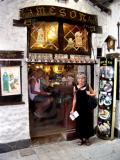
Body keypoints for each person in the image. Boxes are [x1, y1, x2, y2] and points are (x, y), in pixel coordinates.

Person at [71, 72, 96, 146]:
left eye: (82, 78)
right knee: (79, 123)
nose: (81, 80)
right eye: (79, 78)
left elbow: (94, 93)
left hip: (87, 108)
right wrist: (72, 109)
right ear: (77, 79)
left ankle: (87, 139)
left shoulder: (88, 86)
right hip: (79, 108)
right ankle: (81, 139)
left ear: (84, 79)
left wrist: (89, 94)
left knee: (87, 123)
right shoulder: (75, 87)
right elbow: (74, 99)